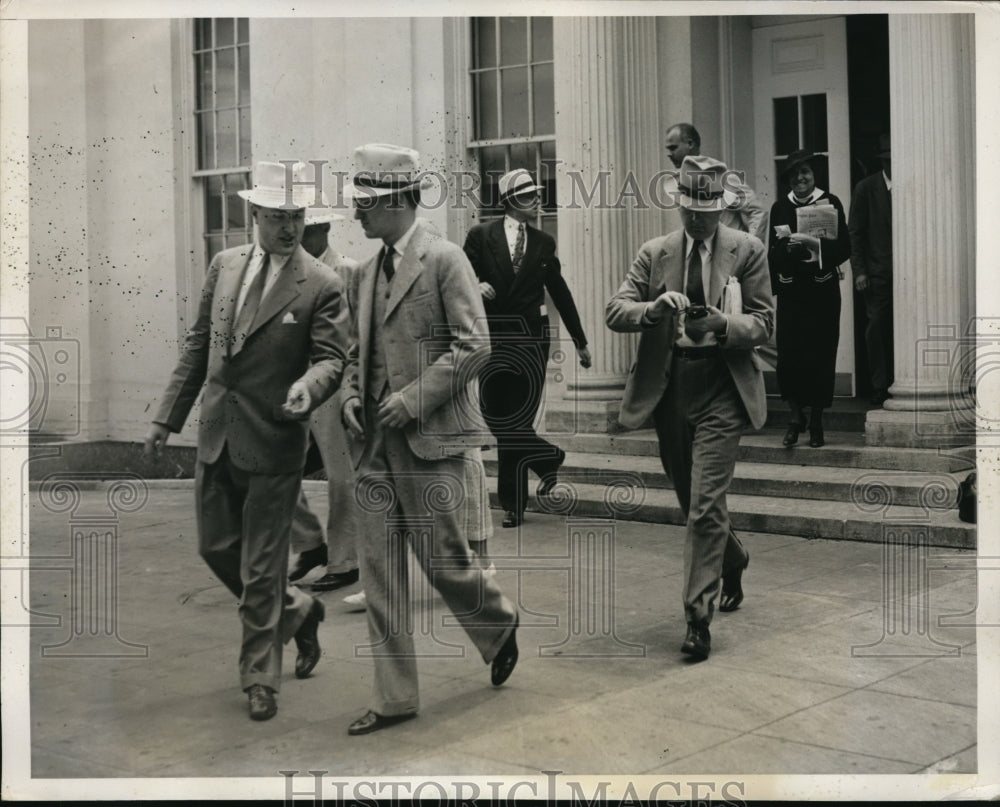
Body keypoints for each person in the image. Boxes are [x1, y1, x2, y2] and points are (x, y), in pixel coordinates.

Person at [143, 161, 351, 721]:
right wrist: (167, 417)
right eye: (278, 217)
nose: (289, 227)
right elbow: (197, 346)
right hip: (215, 435)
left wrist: (309, 388)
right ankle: (299, 611)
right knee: (214, 547)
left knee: (262, 568)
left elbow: (332, 359)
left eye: (297, 217)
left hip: (276, 440)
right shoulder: (224, 266)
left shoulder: (322, 283)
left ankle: (261, 677)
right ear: (254, 215)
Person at [339, 143, 520, 735]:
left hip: (430, 439)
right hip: (370, 448)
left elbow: (475, 346)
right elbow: (351, 355)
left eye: (365, 204)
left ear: (395, 200)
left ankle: (496, 625)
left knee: (444, 562)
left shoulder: (443, 259)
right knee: (378, 571)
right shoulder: (364, 272)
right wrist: (347, 397)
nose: (357, 214)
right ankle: (394, 698)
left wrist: (412, 397)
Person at [606, 155, 774, 660]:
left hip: (723, 384)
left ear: (721, 207)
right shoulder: (653, 253)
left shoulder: (748, 250)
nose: (698, 217)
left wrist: (723, 325)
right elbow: (616, 309)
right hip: (671, 385)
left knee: (704, 504)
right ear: (678, 204)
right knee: (691, 499)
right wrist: (652, 310)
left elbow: (764, 323)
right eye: (690, 207)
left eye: (708, 207)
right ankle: (733, 555)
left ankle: (697, 620)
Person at [463, 169, 591, 528]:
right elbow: (458, 279)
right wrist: (477, 285)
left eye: (536, 192)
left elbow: (560, 292)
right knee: (495, 415)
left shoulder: (543, 243)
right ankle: (548, 457)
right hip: (492, 340)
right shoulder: (480, 235)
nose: (537, 198)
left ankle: (513, 504)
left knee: (515, 421)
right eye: (528, 194)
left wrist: (579, 340)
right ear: (509, 201)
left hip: (532, 341)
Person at [286, 202, 363, 593]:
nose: (300, 233)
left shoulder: (347, 270)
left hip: (336, 385)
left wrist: (353, 387)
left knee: (341, 475)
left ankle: (345, 561)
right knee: (274, 467)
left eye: (310, 227)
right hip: (297, 384)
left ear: (326, 230)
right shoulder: (287, 272)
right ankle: (310, 544)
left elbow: (361, 336)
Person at [767, 150, 851, 448]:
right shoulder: (780, 207)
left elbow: (844, 248)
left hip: (822, 292)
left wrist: (816, 247)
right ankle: (794, 418)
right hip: (792, 295)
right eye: (794, 174)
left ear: (814, 175)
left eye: (805, 172)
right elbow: (772, 254)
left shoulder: (830, 203)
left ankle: (816, 421)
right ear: (788, 179)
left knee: (820, 354)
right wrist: (785, 255)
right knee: (789, 356)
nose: (800, 178)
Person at [664, 122, 768, 243]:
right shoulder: (679, 182)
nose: (669, 154)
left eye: (673, 148)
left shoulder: (720, 176)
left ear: (690, 143)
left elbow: (758, 212)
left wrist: (751, 249)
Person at [849, 133, 894, 406]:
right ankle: (880, 385)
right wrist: (860, 271)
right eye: (888, 159)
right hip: (877, 274)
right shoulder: (866, 188)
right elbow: (855, 233)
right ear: (882, 160)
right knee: (876, 329)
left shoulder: (911, 186)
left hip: (908, 274)